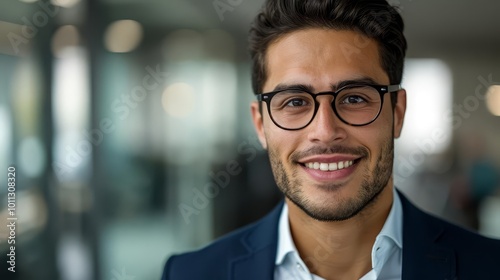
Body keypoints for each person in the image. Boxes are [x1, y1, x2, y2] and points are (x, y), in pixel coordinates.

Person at [161, 0, 500, 279]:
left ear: (396, 112)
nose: (324, 130)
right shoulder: (190, 273)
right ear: (260, 124)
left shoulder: (489, 267)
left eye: (354, 98)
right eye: (294, 102)